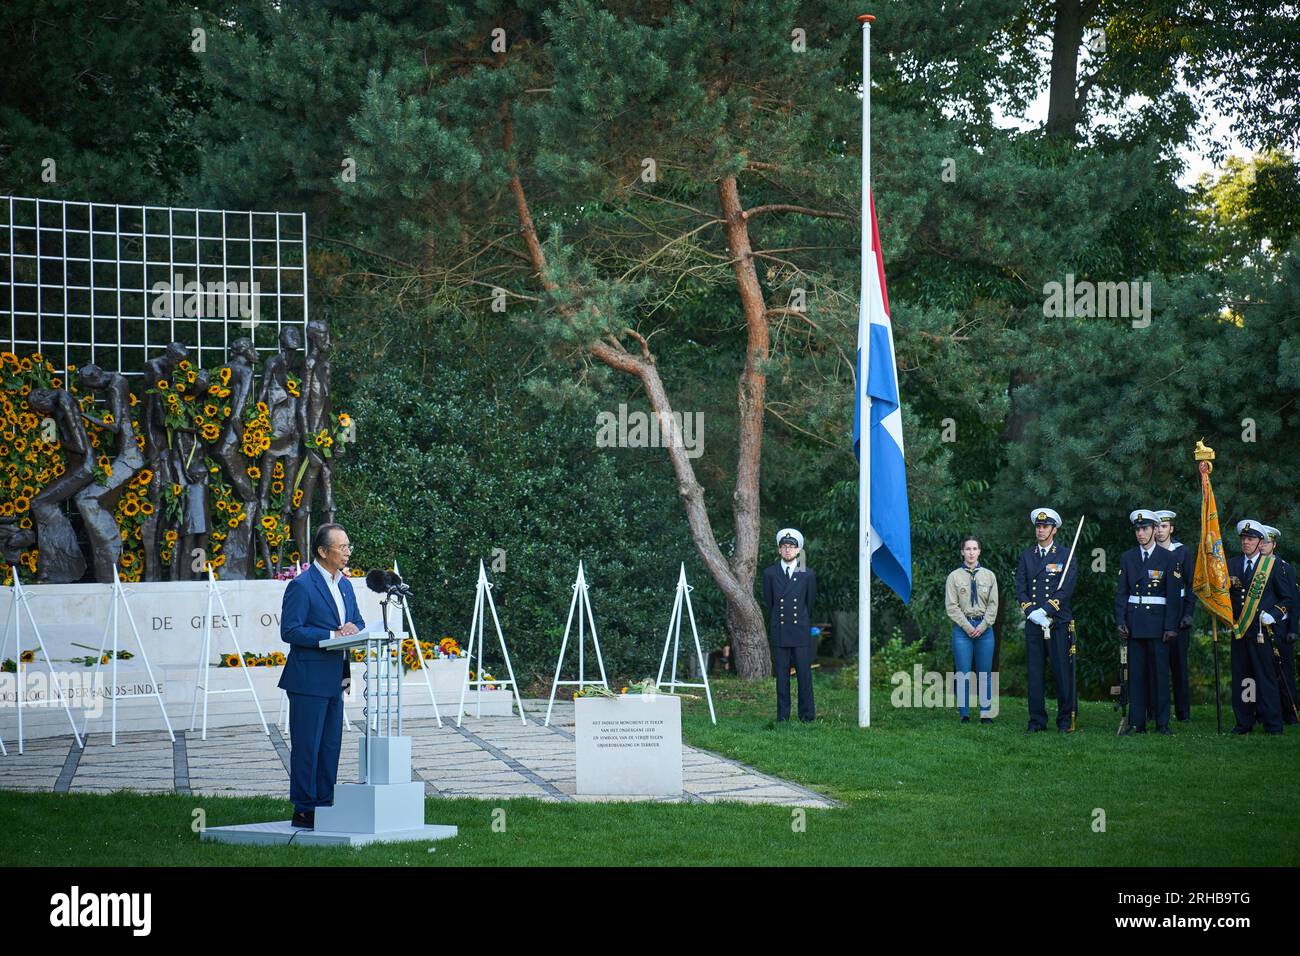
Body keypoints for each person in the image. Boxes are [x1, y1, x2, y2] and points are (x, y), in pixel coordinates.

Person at [278, 522, 365, 829]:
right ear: (322, 551)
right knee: (308, 745)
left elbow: (357, 621)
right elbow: (290, 630)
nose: (347, 553)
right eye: (342, 548)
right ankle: (304, 809)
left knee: (330, 745)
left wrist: (354, 628)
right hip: (307, 679)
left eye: (348, 547)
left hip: (337, 676)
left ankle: (325, 803)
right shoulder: (302, 586)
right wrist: (332, 633)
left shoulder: (345, 584)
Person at [1115, 510, 1182, 735]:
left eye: (1145, 529)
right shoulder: (1128, 557)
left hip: (1158, 625)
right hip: (1134, 624)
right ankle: (1137, 723)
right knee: (1136, 676)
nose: (1141, 533)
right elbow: (1122, 593)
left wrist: (1171, 627)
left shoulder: (1169, 558)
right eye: (1137, 529)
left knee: (1160, 675)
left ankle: (1162, 723)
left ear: (1155, 530)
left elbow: (1173, 597)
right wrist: (1120, 621)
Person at [1014, 508, 1078, 733]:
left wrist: (1046, 611)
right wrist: (1031, 610)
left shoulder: (1065, 555)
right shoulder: (1027, 556)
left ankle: (1064, 721)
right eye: (1038, 526)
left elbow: (1066, 589)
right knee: (1035, 674)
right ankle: (1037, 721)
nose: (1040, 530)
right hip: (1033, 623)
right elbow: (1020, 587)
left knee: (1062, 673)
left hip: (1057, 623)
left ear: (1054, 529)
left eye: (1045, 526)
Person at [1225, 519, 1285, 735]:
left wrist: (1275, 614)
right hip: (1239, 630)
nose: (1246, 542)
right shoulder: (1231, 564)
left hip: (1262, 631)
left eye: (1250, 539)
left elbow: (1287, 599)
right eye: (1243, 538)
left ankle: (1272, 723)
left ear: (1261, 543)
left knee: (1265, 677)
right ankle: (1244, 721)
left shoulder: (1273, 566)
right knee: (1244, 679)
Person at [761, 528, 817, 723]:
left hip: (800, 630)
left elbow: (809, 604)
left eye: (792, 547)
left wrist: (800, 621)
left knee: (804, 675)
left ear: (798, 550)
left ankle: (807, 715)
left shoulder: (807, 574)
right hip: (780, 630)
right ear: (779, 550)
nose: (787, 550)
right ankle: (782, 716)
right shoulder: (770, 573)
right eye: (784, 547)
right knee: (782, 677)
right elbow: (770, 602)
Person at [944, 535, 999, 723]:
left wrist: (982, 626)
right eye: (968, 549)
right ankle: (964, 713)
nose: (971, 552)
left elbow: (993, 605)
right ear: (962, 552)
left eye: (975, 549)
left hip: (985, 629)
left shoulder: (989, 576)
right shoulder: (954, 577)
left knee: (985, 673)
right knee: (963, 673)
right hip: (962, 630)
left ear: (979, 551)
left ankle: (985, 713)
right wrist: (967, 627)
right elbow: (951, 606)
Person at [1154, 510, 1197, 722]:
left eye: (1164, 526)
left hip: (1178, 612)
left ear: (1171, 528)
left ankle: (1183, 713)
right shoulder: (1149, 552)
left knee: (1178, 665)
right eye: (1157, 526)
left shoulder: (1182, 552)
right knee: (1154, 665)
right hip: (1156, 614)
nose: (1160, 531)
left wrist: (1188, 613)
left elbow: (1191, 585)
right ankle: (1154, 711)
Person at [1258, 526, 1298, 724]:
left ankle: (1290, 712)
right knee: (1261, 673)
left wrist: (1293, 629)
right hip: (1258, 628)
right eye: (1261, 542)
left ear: (1274, 544)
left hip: (1280, 628)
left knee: (1284, 671)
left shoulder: (1283, 567)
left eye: (1267, 542)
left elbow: (1292, 600)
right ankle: (1261, 711)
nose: (1263, 545)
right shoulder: (1255, 567)